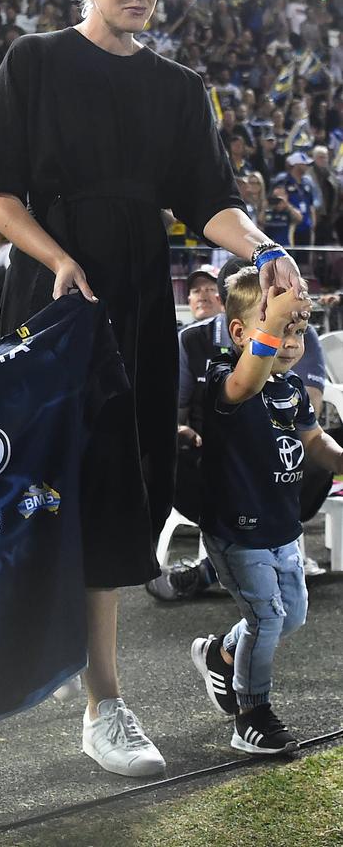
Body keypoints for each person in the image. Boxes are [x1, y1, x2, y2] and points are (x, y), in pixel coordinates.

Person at [0, 0, 305, 778]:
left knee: (125, 492)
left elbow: (209, 201)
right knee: (51, 494)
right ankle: (85, 688)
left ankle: (102, 704)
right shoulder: (34, 62)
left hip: (136, 304)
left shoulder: (178, 87)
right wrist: (59, 259)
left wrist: (265, 250)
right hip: (52, 300)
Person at [191, 268, 343, 755]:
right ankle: (251, 713)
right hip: (239, 531)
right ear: (240, 333)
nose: (292, 342)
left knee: (291, 615)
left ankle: (221, 652)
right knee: (267, 620)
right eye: (280, 328)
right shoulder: (224, 379)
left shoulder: (293, 388)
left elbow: (314, 441)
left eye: (297, 330)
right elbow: (246, 381)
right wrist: (270, 328)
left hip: (282, 527)